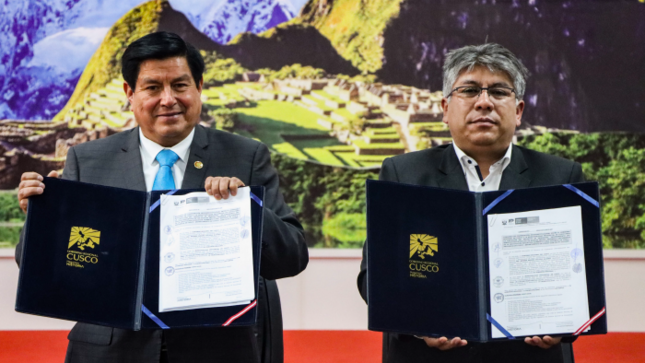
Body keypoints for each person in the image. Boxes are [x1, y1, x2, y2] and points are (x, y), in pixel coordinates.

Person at [16, 31, 308, 363]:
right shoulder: (88, 160)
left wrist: (249, 208)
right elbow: (41, 267)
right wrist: (42, 216)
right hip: (110, 351)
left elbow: (292, 257)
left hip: (215, 350)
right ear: (130, 92)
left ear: (199, 87)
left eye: (180, 85)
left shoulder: (245, 157)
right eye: (153, 87)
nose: (168, 99)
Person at [357, 43, 582, 363]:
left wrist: (562, 325)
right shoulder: (402, 173)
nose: (484, 102)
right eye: (470, 90)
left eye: (499, 92)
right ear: (446, 108)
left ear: (518, 111)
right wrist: (421, 325)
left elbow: (578, 283)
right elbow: (374, 278)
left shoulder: (560, 175)